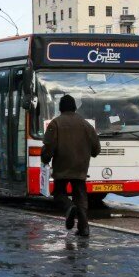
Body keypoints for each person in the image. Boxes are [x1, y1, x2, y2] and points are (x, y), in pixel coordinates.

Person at [41, 95, 101, 236]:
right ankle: (84, 228)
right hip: (80, 168)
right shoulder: (86, 125)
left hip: (62, 167)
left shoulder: (55, 124)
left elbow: (49, 147)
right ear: (75, 107)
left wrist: (45, 159)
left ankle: (69, 207)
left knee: (59, 194)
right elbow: (96, 150)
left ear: (60, 108)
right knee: (81, 196)